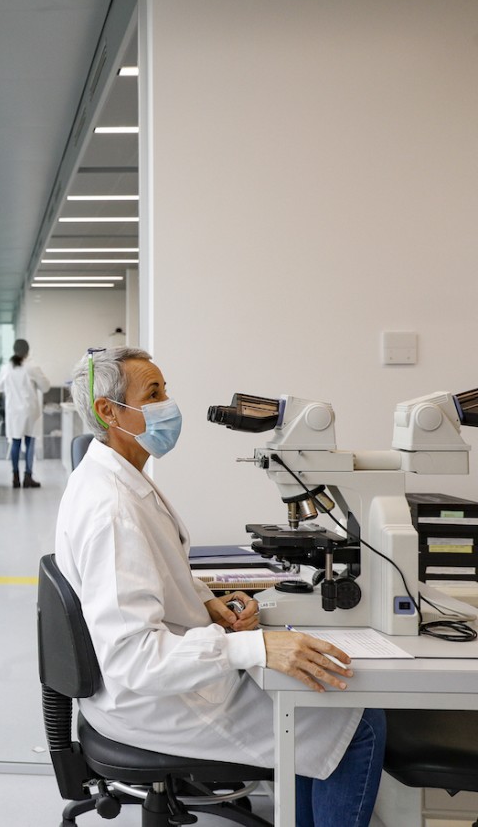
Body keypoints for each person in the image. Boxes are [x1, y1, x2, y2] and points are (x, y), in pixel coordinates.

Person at [55, 346, 384, 827]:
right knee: (358, 723)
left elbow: (157, 567)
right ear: (109, 411)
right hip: (151, 701)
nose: (170, 403)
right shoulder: (112, 511)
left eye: (165, 389)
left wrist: (210, 605)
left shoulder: (116, 478)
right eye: (154, 393)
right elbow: (134, 660)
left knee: (317, 702)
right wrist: (254, 646)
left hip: (155, 684)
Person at [0, 338, 50, 488]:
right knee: (30, 443)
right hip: (29, 410)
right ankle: (28, 476)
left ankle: (15, 477)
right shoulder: (32, 367)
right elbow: (45, 387)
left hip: (14, 412)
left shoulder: (6, 368)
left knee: (15, 442)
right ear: (27, 351)